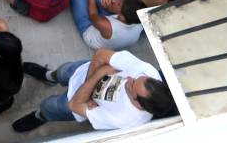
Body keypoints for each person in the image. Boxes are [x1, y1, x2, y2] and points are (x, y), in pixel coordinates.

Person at [13, 48, 176, 132]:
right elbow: (101, 54)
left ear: (139, 105)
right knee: (63, 72)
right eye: (137, 78)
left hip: (76, 101)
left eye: (132, 85)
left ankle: (41, 116)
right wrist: (96, 75)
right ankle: (48, 76)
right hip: (87, 72)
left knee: (50, 105)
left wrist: (103, 71)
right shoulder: (146, 71)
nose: (130, 78)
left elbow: (74, 106)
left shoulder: (126, 119)